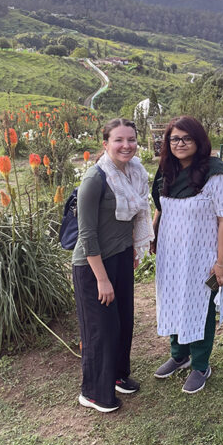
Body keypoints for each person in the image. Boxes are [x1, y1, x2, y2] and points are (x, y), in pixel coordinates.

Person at [151, 115, 223, 394]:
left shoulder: (214, 174)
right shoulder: (166, 170)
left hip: (202, 257)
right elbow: (161, 205)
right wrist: (154, 234)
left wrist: (221, 262)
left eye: (186, 138)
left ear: (199, 140)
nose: (180, 143)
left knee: (200, 306)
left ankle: (201, 364)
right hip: (171, 254)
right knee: (173, 298)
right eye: (174, 138)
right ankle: (179, 354)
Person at [72, 118, 154, 413]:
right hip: (93, 264)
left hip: (120, 256)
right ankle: (92, 392)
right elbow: (87, 235)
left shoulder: (134, 173)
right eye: (119, 140)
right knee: (100, 329)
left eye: (131, 139)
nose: (126, 145)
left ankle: (117, 375)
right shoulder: (95, 179)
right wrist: (102, 280)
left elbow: (133, 218)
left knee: (123, 323)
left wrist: (132, 247)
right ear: (105, 144)